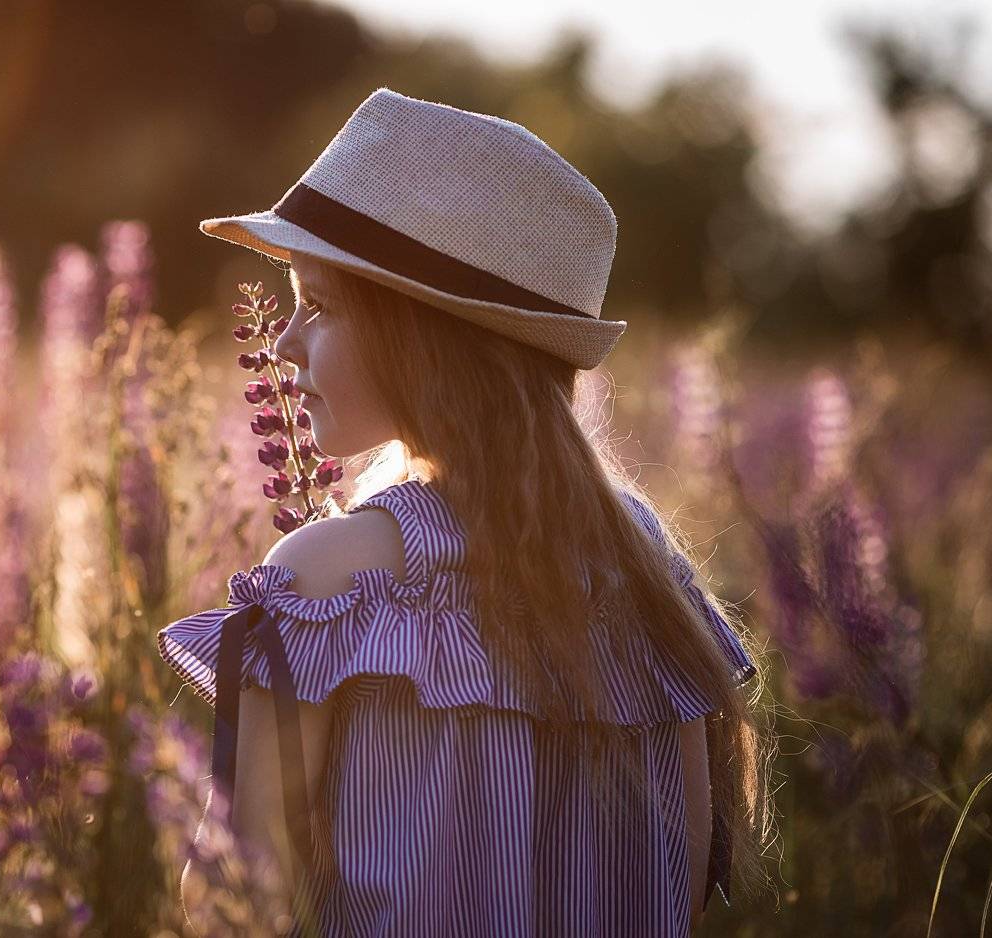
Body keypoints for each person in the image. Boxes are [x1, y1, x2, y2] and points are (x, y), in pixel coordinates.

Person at [155, 87, 774, 937]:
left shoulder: (329, 576)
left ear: (427, 342)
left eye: (322, 305)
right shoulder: (650, 573)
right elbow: (683, 887)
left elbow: (228, 904)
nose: (283, 343)